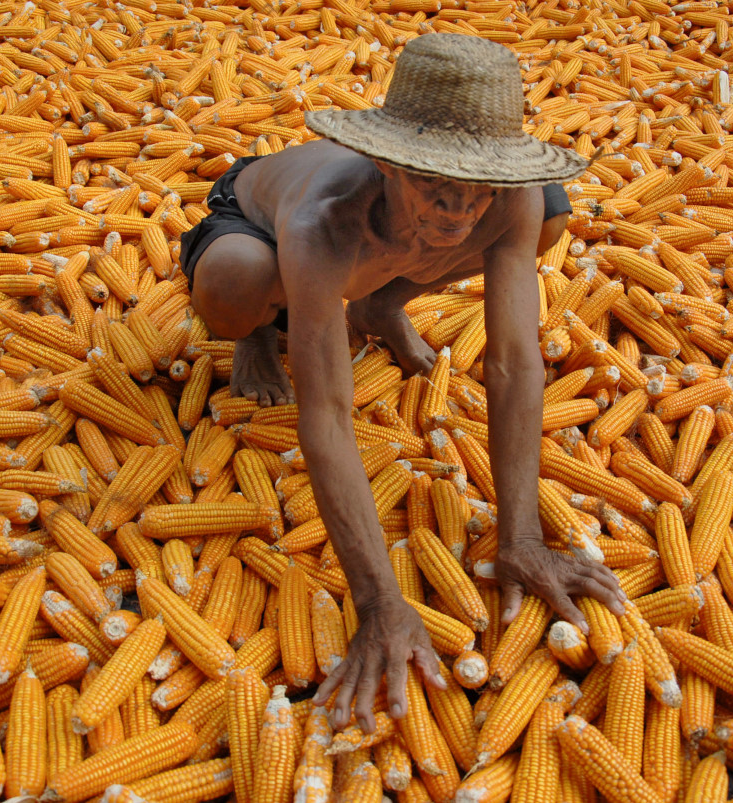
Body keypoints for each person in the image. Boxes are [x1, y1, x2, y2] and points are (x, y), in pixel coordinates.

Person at [182, 33, 627, 732]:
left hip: (379, 257)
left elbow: (512, 360)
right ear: (387, 165)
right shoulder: (321, 221)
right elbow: (327, 413)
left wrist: (521, 539)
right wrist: (380, 603)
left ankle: (378, 304)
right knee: (237, 280)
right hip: (255, 220)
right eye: (434, 187)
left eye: (476, 193)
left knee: (549, 217)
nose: (456, 214)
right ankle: (256, 334)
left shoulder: (507, 200)